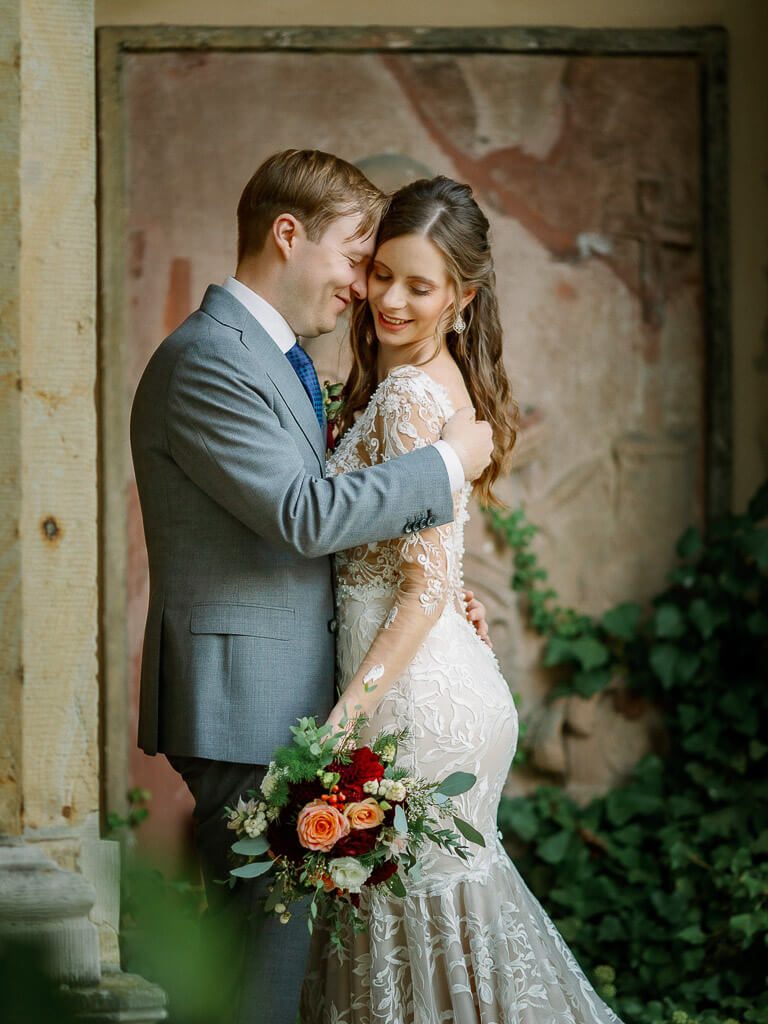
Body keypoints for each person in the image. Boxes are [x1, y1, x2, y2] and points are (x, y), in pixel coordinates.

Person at [129, 150, 494, 1024]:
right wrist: (448, 463)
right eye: (355, 259)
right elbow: (303, 513)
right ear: (288, 235)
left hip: (296, 702)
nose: (364, 289)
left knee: (283, 967)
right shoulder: (208, 360)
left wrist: (435, 586)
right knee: (268, 973)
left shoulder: (274, 355)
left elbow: (310, 520)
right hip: (247, 707)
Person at [301, 176, 623, 1024]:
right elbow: (433, 570)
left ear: (462, 295)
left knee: (413, 936)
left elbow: (425, 582)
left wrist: (343, 720)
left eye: (420, 285)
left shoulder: (410, 396)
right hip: (433, 678)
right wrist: (453, 605)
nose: (389, 301)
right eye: (382, 275)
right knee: (435, 939)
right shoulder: (430, 382)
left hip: (411, 704)